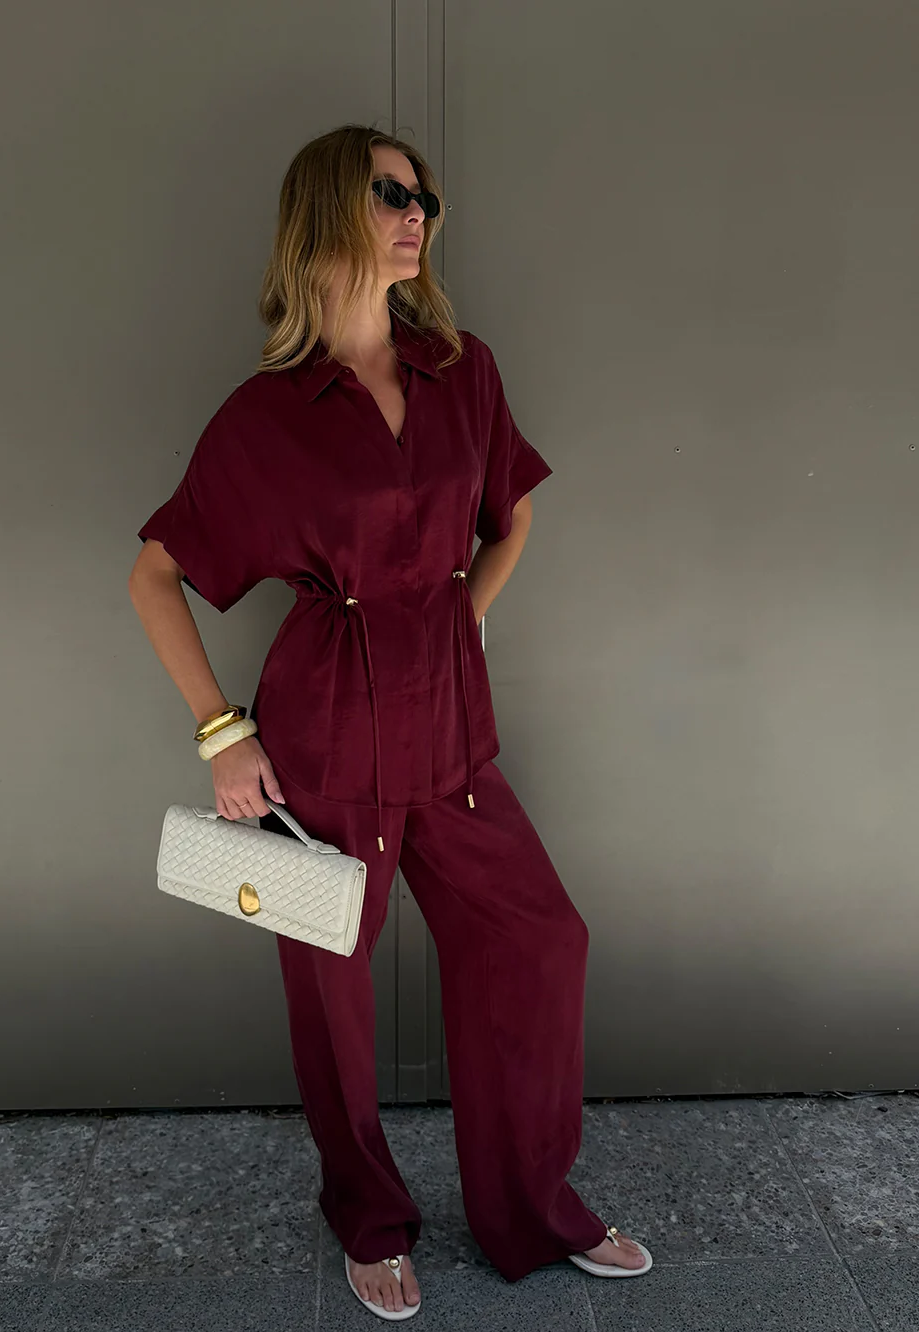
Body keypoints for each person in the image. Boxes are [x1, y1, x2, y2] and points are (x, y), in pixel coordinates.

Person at [128, 123, 651, 1320]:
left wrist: (455, 621)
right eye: (388, 193)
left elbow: (512, 516)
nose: (417, 214)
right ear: (327, 209)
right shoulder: (266, 416)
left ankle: (534, 1208)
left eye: (424, 198)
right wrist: (222, 733)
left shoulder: (463, 372)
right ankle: (369, 1219)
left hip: (452, 734)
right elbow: (154, 575)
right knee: (335, 1001)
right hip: (320, 744)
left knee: (537, 943)